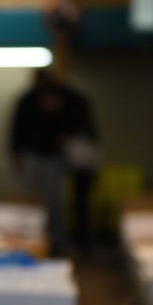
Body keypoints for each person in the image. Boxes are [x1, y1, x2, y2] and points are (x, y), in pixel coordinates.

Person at [58, 82, 101, 248]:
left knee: (80, 202)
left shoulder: (76, 129)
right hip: (86, 168)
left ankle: (83, 238)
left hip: (82, 168)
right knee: (81, 202)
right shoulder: (88, 128)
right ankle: (83, 237)